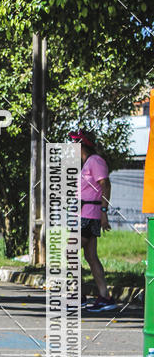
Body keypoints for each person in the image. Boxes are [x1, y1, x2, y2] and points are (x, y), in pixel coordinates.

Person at [69, 128, 117, 312]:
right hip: (83, 214)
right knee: (90, 256)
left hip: (90, 215)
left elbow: (106, 185)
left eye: (74, 143)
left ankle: (78, 295)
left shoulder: (95, 161)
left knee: (70, 251)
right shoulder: (86, 163)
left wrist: (104, 212)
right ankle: (105, 297)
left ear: (81, 145)